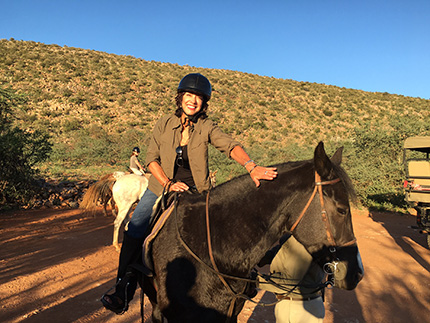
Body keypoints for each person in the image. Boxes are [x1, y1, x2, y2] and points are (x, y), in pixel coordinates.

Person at [101, 72, 278, 314]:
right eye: (189, 95)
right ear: (180, 97)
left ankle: (240, 280)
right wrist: (167, 184)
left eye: (198, 97)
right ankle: (123, 288)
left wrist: (252, 166)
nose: (193, 100)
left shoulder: (206, 126)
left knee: (224, 228)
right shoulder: (163, 123)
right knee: (136, 227)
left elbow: (230, 145)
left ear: (204, 102)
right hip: (160, 187)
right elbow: (151, 159)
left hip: (198, 190)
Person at [258, 234, 326, 323]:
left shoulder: (303, 238)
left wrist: (256, 280)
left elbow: (289, 281)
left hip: (298, 309)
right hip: (301, 305)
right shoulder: (299, 235)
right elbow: (281, 251)